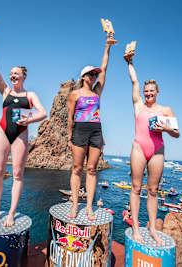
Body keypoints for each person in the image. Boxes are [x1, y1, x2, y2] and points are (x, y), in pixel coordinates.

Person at [0, 22, 47, 227]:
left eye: (16, 73)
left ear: (23, 76)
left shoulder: (30, 94)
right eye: (11, 73)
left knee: (17, 174)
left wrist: (30, 119)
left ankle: (10, 213)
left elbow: (43, 113)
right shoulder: (5, 91)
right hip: (2, 131)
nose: (12, 75)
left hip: (21, 133)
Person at [124, 50, 180, 245]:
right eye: (146, 91)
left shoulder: (166, 110)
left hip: (157, 150)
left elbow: (177, 133)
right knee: (136, 187)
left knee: (153, 190)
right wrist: (129, 63)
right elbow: (134, 82)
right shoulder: (138, 105)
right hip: (139, 147)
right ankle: (137, 227)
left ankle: (153, 229)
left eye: (151, 91)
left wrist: (166, 127)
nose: (148, 93)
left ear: (157, 92)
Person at [66, 37, 113, 221]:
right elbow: (70, 117)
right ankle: (75, 205)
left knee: (92, 169)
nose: (94, 77)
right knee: (77, 169)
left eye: (95, 75)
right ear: (84, 77)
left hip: (96, 131)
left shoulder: (97, 92)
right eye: (91, 75)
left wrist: (107, 47)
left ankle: (89, 207)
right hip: (79, 131)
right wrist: (70, 137)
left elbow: (105, 69)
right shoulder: (74, 94)